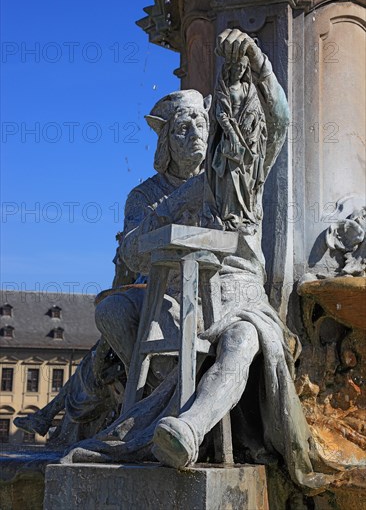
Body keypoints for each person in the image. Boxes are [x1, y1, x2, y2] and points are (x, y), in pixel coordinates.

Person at [63, 30, 337, 491]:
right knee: (112, 310)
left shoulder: (239, 172)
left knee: (246, 337)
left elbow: (281, 122)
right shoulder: (146, 195)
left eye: (200, 123)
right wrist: (174, 206)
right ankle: (149, 408)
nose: (194, 133)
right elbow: (131, 250)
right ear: (165, 138)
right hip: (172, 298)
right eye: (182, 126)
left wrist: (259, 66)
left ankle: (188, 429)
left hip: (236, 299)